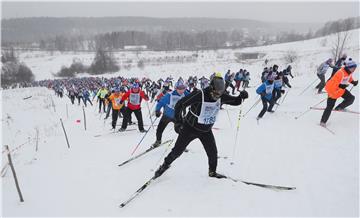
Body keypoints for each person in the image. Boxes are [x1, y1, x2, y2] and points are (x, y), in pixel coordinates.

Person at [153, 73, 249, 179]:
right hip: (190, 129)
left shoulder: (220, 95)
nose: (217, 96)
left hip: (206, 130)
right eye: (215, 93)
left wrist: (241, 96)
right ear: (211, 88)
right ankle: (164, 166)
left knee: (213, 152)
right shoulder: (200, 94)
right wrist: (179, 122)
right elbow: (180, 104)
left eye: (219, 94)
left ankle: (212, 172)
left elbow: (235, 101)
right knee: (177, 151)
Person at [152, 80, 190, 147]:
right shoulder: (169, 95)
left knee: (180, 130)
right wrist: (157, 110)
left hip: (177, 116)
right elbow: (161, 102)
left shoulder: (185, 94)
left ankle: (181, 145)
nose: (181, 91)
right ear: (176, 88)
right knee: (159, 129)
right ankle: (158, 141)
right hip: (167, 115)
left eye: (183, 88)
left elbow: (192, 97)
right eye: (179, 89)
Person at [320, 60, 358, 126]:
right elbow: (329, 85)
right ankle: (323, 122)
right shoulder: (340, 73)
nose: (354, 70)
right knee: (329, 107)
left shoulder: (348, 72)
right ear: (349, 67)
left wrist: (353, 82)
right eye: (353, 68)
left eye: (355, 68)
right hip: (333, 92)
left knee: (351, 98)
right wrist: (340, 85)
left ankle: (339, 107)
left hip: (341, 90)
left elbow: (348, 78)